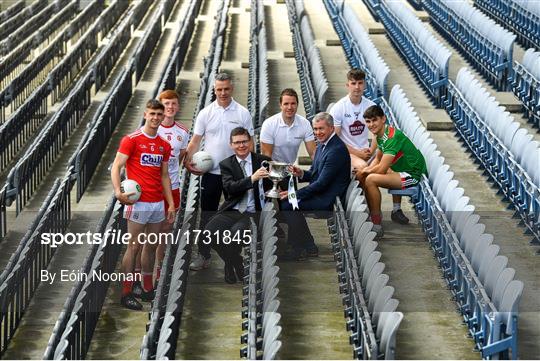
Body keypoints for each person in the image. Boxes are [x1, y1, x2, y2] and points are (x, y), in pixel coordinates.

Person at [184, 72, 254, 271]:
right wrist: (188, 161)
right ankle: (204, 255)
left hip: (235, 174)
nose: (222, 93)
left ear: (232, 88)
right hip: (212, 174)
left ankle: (234, 257)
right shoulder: (206, 113)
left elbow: (250, 143)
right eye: (219, 89)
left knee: (236, 216)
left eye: (226, 89)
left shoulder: (242, 113)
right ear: (214, 90)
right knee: (206, 216)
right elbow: (196, 141)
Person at [111, 99, 175, 310]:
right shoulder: (132, 139)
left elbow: (165, 176)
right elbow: (116, 166)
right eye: (152, 114)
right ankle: (126, 292)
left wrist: (171, 204)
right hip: (138, 203)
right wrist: (118, 192)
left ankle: (147, 288)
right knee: (134, 247)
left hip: (157, 203)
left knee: (151, 246)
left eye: (159, 114)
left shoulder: (164, 145)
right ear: (145, 114)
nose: (156, 118)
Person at [330, 69, 409, 225]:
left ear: (365, 85)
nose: (357, 87)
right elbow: (336, 139)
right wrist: (358, 152)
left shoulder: (371, 106)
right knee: (364, 168)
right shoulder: (339, 108)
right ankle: (370, 213)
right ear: (347, 85)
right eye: (353, 83)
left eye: (360, 83)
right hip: (348, 152)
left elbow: (378, 134)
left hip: (367, 151)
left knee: (394, 166)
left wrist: (371, 151)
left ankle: (396, 209)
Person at [203, 127, 271, 283]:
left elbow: (276, 182)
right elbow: (229, 188)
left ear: (250, 142)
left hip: (252, 211)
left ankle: (229, 265)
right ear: (231, 145)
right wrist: (252, 179)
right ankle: (234, 262)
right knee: (208, 234)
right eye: (237, 142)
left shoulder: (263, 161)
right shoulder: (226, 164)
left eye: (244, 141)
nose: (241, 145)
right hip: (232, 209)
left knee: (235, 234)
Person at [279, 112, 350, 260]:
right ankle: (306, 245)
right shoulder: (322, 146)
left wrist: (294, 194)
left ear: (331, 128)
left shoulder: (336, 150)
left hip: (328, 198)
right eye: (315, 129)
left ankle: (300, 247)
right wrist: (301, 174)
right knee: (288, 203)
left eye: (321, 129)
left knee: (288, 205)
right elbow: (314, 173)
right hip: (323, 192)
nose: (318, 133)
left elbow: (321, 184)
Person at [358, 105, 427, 237]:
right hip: (402, 169)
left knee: (371, 179)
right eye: (368, 121)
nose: (371, 124)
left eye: (374, 120)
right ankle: (393, 211)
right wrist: (365, 170)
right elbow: (377, 160)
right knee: (367, 174)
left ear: (383, 119)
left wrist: (365, 172)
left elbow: (382, 168)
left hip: (413, 174)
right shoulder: (380, 135)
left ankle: (376, 224)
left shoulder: (391, 137)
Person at [260, 88, 316, 163]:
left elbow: (313, 153)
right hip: (273, 167)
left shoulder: (305, 124)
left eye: (293, 103)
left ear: (297, 105)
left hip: (291, 167)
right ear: (280, 105)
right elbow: (267, 157)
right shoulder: (269, 124)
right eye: (286, 104)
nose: (290, 107)